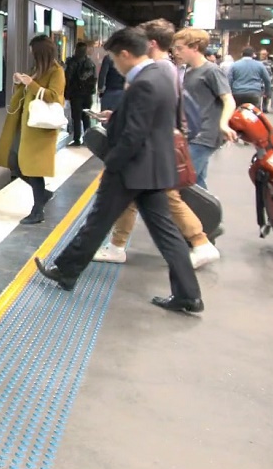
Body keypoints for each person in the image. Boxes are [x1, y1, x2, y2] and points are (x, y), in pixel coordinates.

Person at [34, 27, 203, 313]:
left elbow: (135, 134)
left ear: (125, 54)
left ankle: (65, 270)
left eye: (114, 58)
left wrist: (112, 163)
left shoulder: (144, 83)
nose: (114, 63)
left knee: (98, 221)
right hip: (155, 168)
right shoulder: (164, 74)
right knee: (166, 233)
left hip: (131, 168)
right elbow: (153, 120)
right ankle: (189, 294)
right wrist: (119, 116)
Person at [91, 20, 219, 270]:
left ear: (149, 44)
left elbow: (150, 113)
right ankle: (117, 245)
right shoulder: (165, 69)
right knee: (142, 198)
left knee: (168, 197)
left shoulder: (156, 70)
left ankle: (200, 242)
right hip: (157, 144)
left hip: (155, 146)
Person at [0, 36, 66, 225]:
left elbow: (52, 96)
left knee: (34, 169)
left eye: (34, 51)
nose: (31, 54)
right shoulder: (37, 68)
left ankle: (38, 210)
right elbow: (30, 91)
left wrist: (30, 84)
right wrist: (21, 82)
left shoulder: (57, 71)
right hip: (26, 125)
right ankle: (43, 194)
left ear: (41, 52)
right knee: (14, 161)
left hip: (41, 129)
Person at [172, 27, 237, 188]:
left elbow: (228, 99)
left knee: (181, 182)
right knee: (196, 183)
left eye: (180, 48)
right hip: (194, 134)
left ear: (195, 47)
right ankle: (204, 213)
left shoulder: (211, 71)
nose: (176, 52)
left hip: (204, 135)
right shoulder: (189, 72)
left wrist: (223, 124)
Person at [63, 42, 97, 147]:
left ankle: (77, 139)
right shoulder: (90, 63)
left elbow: (68, 77)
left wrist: (66, 92)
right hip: (87, 95)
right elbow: (94, 79)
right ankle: (88, 140)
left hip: (76, 94)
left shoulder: (72, 62)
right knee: (86, 117)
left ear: (76, 50)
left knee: (76, 117)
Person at [98, 45, 127, 112]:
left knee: (105, 117)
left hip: (109, 91)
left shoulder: (108, 58)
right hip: (122, 92)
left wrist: (100, 89)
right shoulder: (126, 59)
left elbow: (103, 74)